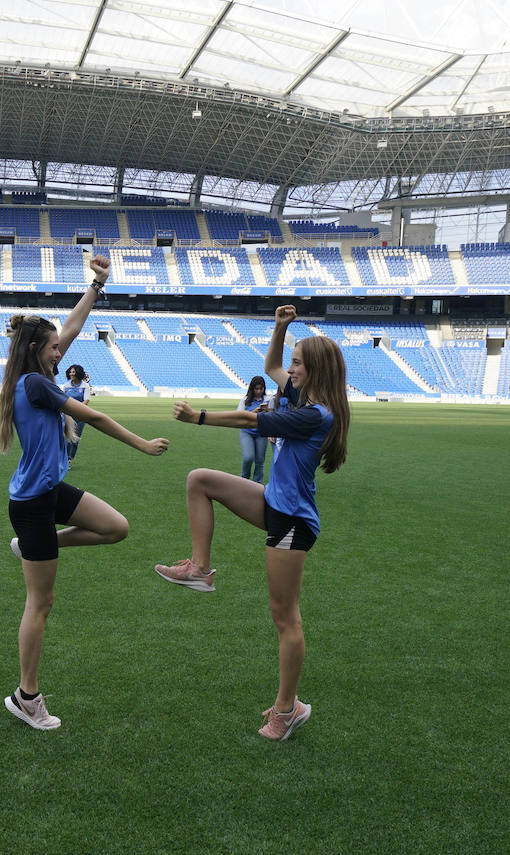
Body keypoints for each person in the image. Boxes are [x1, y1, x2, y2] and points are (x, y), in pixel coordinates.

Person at [153, 305, 350, 742]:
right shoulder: (304, 398)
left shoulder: (316, 415)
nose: (290, 369)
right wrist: (281, 328)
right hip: (274, 502)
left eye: (299, 363)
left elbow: (249, 419)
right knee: (199, 481)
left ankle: (288, 708)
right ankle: (200, 570)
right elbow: (271, 366)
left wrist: (198, 417)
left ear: (315, 369)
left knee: (285, 618)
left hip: (293, 520)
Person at [0, 258, 170, 731]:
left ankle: (32, 549)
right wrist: (141, 444)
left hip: (50, 491)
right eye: (54, 348)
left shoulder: (36, 372)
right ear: (37, 350)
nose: (62, 351)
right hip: (33, 504)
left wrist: (97, 285)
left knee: (116, 528)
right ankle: (26, 696)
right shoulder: (34, 383)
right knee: (40, 604)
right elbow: (93, 417)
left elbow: (70, 324)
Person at [238, 375, 270, 482]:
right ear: (252, 388)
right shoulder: (245, 400)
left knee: (260, 461)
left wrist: (268, 412)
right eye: (256, 389)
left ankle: (257, 484)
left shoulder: (267, 400)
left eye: (261, 388)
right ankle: (244, 480)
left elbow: (273, 417)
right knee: (248, 457)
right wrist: (254, 412)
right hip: (247, 432)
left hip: (262, 432)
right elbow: (239, 417)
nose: (259, 391)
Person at [60, 364, 91, 462]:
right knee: (67, 437)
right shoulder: (66, 386)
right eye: (70, 372)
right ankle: (64, 459)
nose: (71, 374)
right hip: (68, 415)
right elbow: (62, 399)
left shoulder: (85, 386)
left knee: (75, 439)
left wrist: (76, 410)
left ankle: (69, 459)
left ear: (78, 373)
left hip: (81, 415)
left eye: (73, 372)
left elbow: (86, 400)